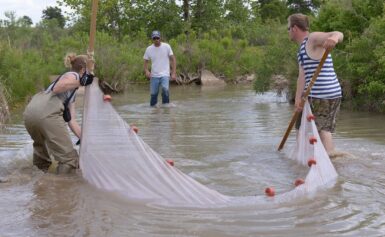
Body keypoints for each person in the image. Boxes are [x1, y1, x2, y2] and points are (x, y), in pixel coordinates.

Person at [23, 53, 94, 174]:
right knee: (70, 160)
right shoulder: (74, 76)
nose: (91, 74)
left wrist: (85, 138)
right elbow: (58, 88)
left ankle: (36, 184)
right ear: (83, 69)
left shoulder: (71, 90)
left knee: (42, 159)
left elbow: (71, 121)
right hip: (46, 115)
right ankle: (61, 188)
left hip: (30, 114)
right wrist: (81, 81)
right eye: (90, 71)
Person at [288, 13, 344, 155]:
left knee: (306, 128)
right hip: (333, 92)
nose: (288, 32)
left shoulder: (311, 39)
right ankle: (329, 156)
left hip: (319, 94)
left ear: (294, 28)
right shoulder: (301, 50)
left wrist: (333, 38)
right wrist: (297, 99)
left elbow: (338, 33)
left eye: (288, 28)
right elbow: (302, 75)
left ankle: (310, 160)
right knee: (324, 129)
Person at [143, 30, 177, 107]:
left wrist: (174, 73)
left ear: (160, 38)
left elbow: (173, 59)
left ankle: (166, 111)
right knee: (153, 95)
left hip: (165, 74)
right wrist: (146, 71)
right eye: (154, 38)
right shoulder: (149, 49)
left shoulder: (167, 46)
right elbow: (145, 61)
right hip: (154, 75)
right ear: (152, 39)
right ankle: (154, 113)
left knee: (165, 91)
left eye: (157, 38)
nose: (156, 40)